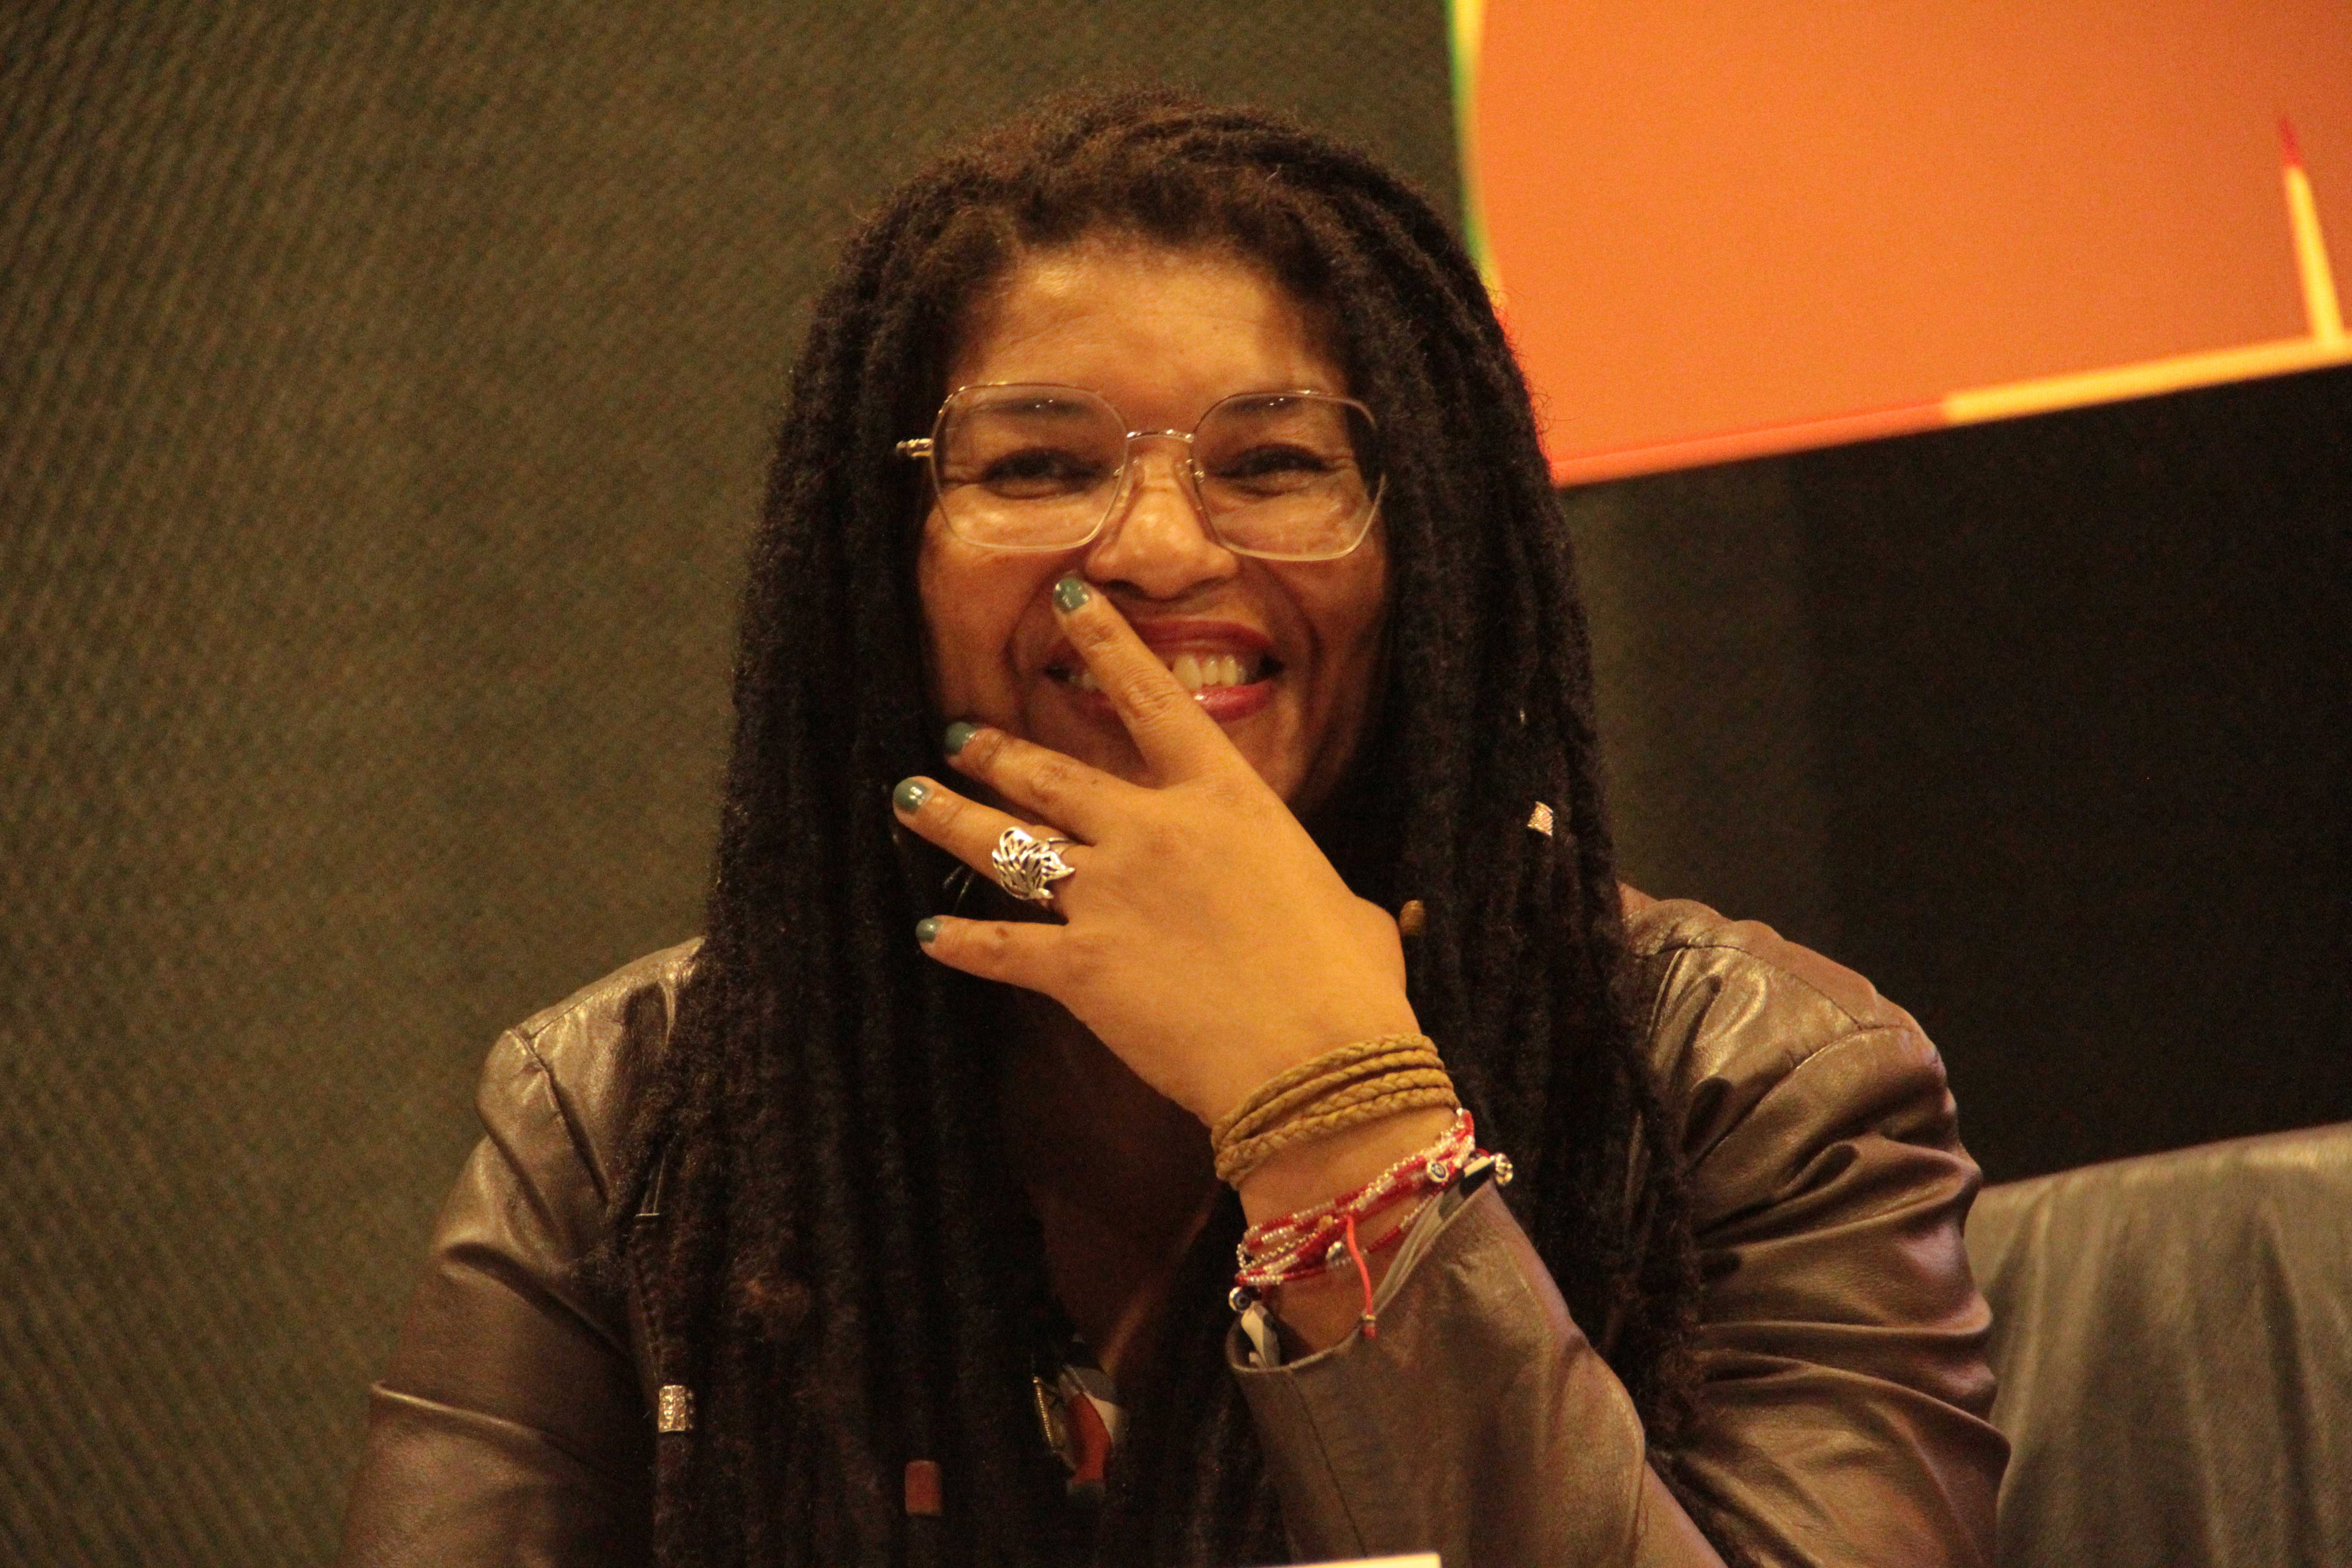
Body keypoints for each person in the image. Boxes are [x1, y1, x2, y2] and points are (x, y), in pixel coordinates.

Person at [337, 91, 2005, 1568]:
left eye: (1272, 464)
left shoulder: (1760, 1087)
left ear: (1427, 546)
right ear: (880, 559)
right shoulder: (620, 1119)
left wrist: (1342, 1118)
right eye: (1035, 465)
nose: (1152, 548)